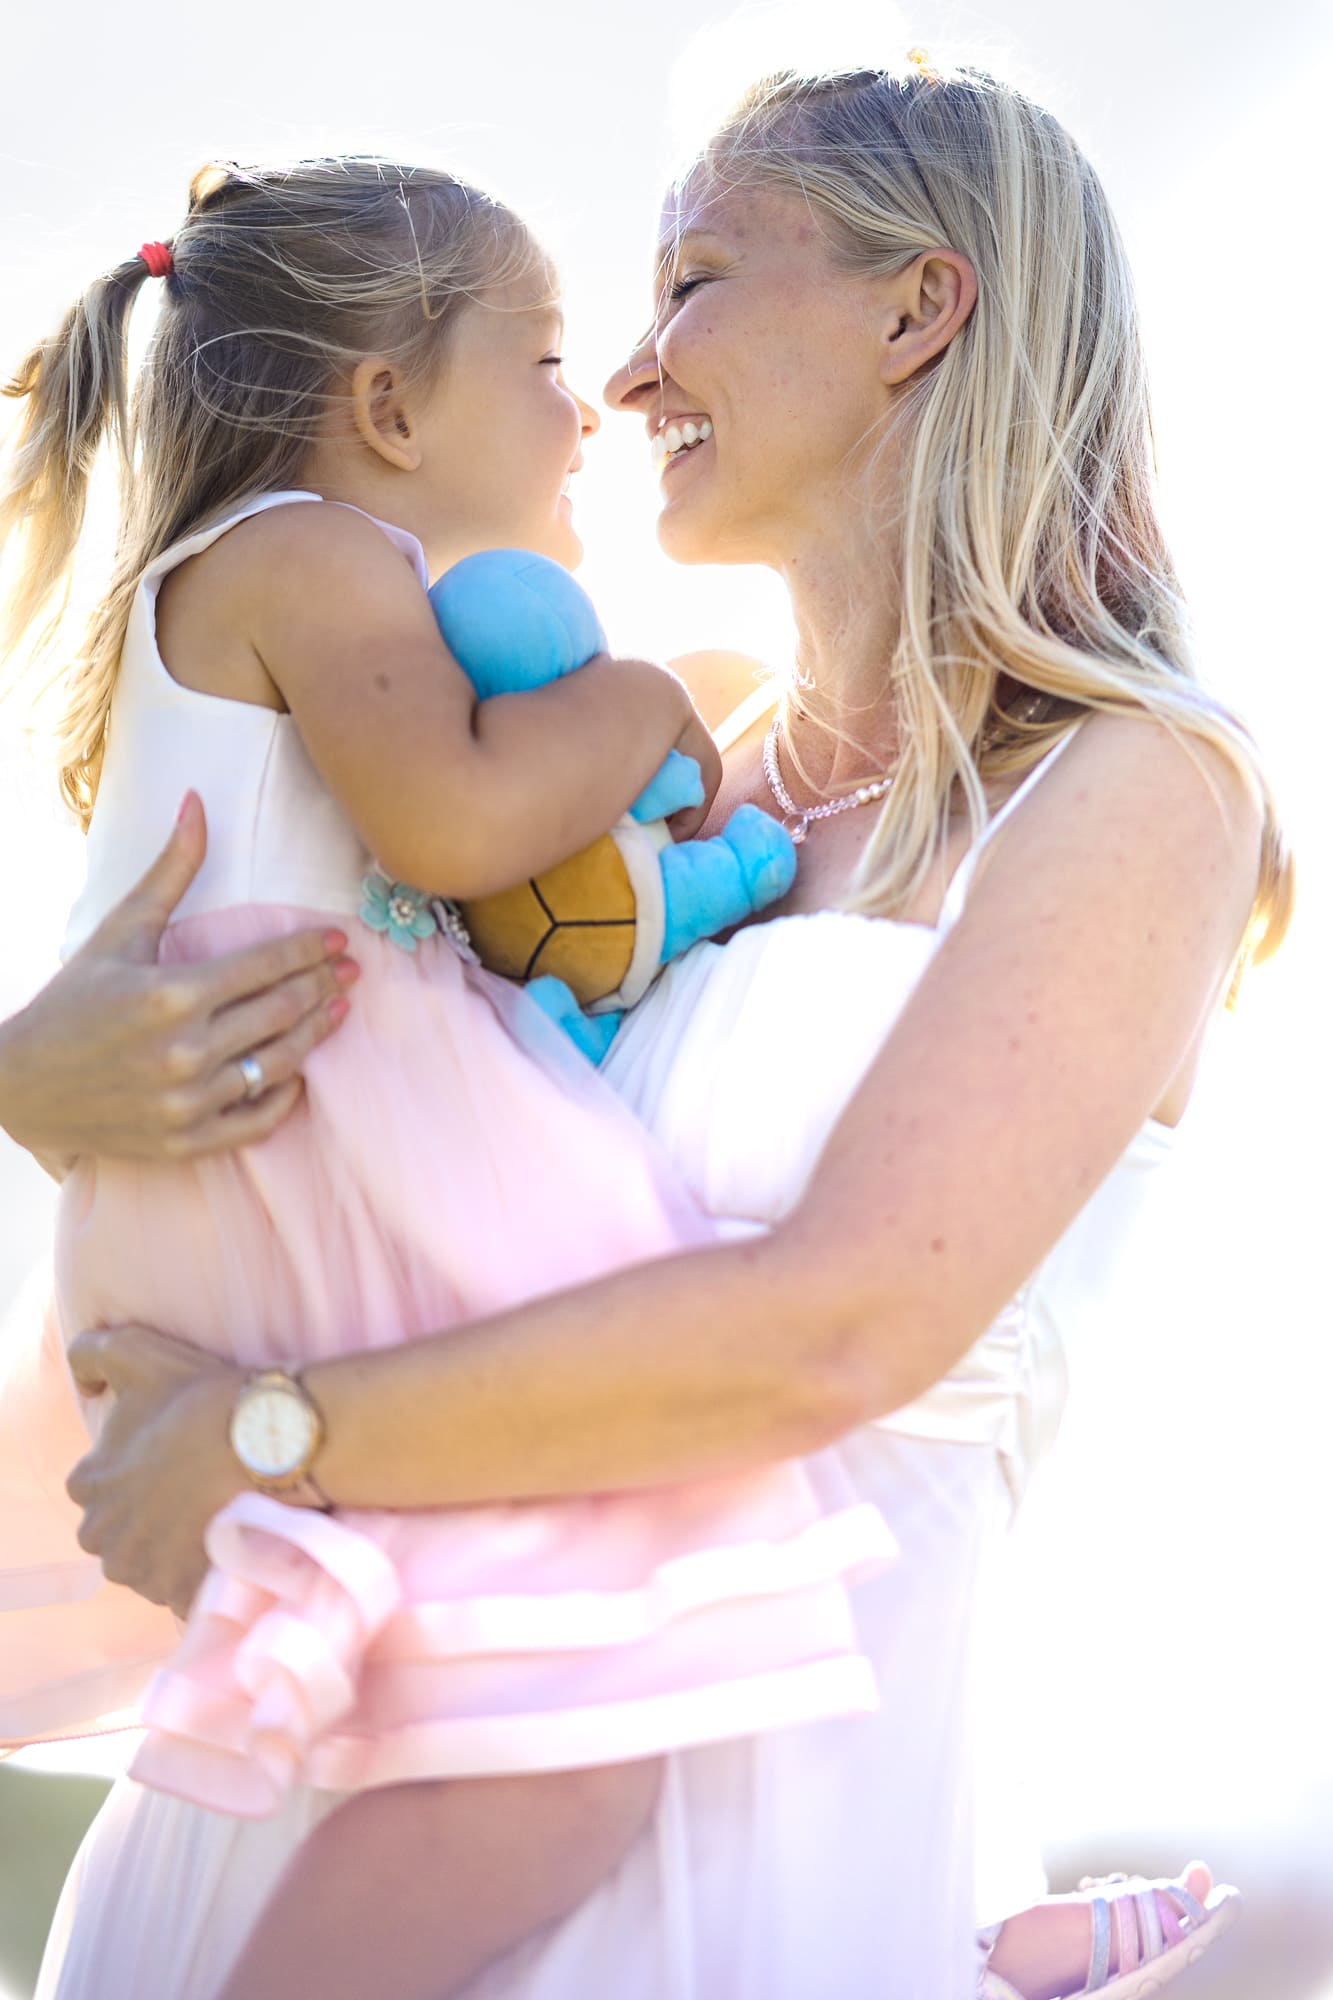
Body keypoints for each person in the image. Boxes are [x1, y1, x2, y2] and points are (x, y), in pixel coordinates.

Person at [0, 61, 1285, 2000]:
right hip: (334, 1803)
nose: (616, 372)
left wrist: (270, 1437)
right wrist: (34, 1072)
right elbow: (332, 1072)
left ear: (913, 310)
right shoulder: (632, 750)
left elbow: (834, 1326)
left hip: (758, 1870)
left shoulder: (1133, 790)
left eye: (690, 282)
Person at [0, 154, 900, 2000]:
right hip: (315, 1187)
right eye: (545, 357)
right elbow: (465, 816)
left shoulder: (277, 586)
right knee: (562, 1747)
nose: (590, 406)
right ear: (387, 406)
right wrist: (644, 706)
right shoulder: (313, 557)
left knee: (451, 1720)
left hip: (243, 1200)